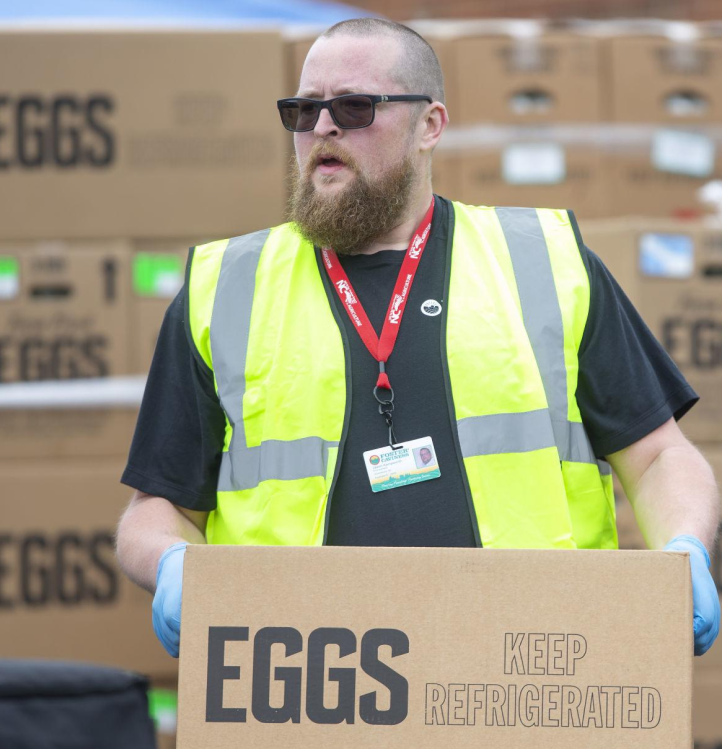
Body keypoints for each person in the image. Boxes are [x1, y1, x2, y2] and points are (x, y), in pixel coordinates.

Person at [115, 18, 720, 661]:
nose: (323, 127)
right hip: (310, 688)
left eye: (353, 106)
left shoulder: (545, 263)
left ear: (429, 125)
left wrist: (684, 548)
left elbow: (658, 457)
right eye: (303, 110)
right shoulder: (224, 288)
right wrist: (175, 565)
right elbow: (154, 510)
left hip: (526, 672)